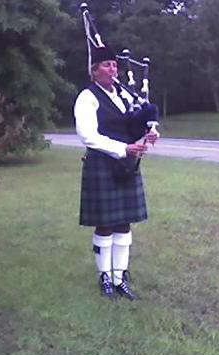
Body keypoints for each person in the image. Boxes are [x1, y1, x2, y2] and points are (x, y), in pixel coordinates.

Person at [74, 45, 159, 300]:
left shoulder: (124, 96)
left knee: (124, 222)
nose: (111, 69)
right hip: (103, 163)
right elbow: (88, 135)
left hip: (126, 163)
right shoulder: (87, 97)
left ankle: (120, 276)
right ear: (94, 71)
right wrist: (124, 148)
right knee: (105, 224)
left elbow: (137, 121)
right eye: (105, 65)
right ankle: (105, 277)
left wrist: (149, 133)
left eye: (113, 65)